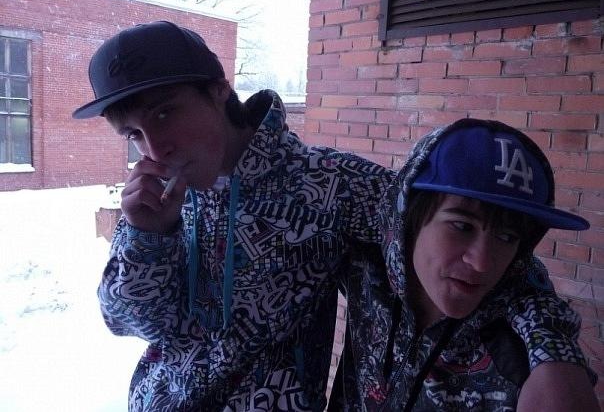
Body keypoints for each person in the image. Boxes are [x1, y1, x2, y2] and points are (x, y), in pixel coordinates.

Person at [73, 22, 593, 411]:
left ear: (218, 89)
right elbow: (131, 323)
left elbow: (482, 247)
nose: (154, 148)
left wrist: (555, 357)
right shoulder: (160, 197)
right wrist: (147, 236)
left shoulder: (329, 184)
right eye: (134, 134)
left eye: (165, 112)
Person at [328, 118, 599, 411]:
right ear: (409, 217)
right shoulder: (365, 262)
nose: (481, 263)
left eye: (507, 237)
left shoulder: (517, 356)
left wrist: (555, 351)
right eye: (461, 226)